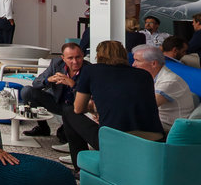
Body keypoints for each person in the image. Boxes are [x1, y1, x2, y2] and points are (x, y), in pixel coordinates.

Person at [61, 40, 163, 169]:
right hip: (154, 140)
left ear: (99, 55)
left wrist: (93, 109)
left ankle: (79, 168)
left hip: (115, 142)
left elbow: (78, 108)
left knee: (68, 111)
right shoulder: (144, 75)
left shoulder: (90, 71)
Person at [21, 41, 88, 139]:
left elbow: (90, 96)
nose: (75, 61)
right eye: (70, 58)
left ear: (82, 56)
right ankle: (43, 128)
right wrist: (48, 80)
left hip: (75, 107)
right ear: (63, 58)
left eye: (78, 57)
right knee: (27, 91)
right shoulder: (56, 64)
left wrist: (72, 84)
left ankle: (65, 129)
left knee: (62, 137)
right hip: (56, 101)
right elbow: (36, 83)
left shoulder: (89, 69)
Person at [131, 44, 193, 133]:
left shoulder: (169, 81)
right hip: (158, 122)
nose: (133, 64)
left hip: (169, 127)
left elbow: (145, 107)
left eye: (137, 60)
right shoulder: (150, 77)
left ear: (153, 63)